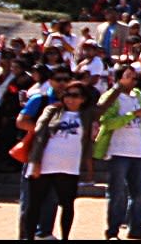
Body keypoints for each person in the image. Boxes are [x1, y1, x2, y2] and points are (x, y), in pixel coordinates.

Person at [22, 82, 93, 240]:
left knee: (67, 205)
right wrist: (35, 162)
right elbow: (40, 134)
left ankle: (65, 237)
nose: (70, 99)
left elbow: (104, 105)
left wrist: (120, 86)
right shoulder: (52, 110)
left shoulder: (87, 114)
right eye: (68, 94)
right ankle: (28, 237)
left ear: (83, 99)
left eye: (75, 95)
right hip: (45, 162)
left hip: (69, 165)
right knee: (34, 205)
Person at [95, 65, 141, 240]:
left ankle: (135, 227)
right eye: (129, 76)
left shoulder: (138, 95)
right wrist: (133, 114)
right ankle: (113, 230)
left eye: (135, 77)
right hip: (118, 150)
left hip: (139, 150)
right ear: (119, 79)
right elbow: (107, 122)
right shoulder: (111, 97)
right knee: (117, 192)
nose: (133, 80)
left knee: (138, 192)